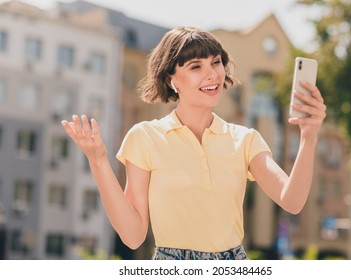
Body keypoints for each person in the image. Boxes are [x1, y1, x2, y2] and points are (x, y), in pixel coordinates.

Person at [61, 27, 326, 260]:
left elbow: (292, 201)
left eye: (216, 62)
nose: (212, 74)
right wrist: (98, 162)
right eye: (196, 67)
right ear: (171, 80)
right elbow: (132, 236)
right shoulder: (145, 137)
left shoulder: (245, 139)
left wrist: (308, 137)